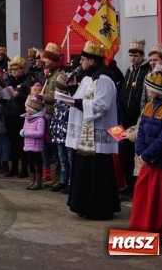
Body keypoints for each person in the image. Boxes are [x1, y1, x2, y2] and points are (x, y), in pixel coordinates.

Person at [64, 41, 121, 220]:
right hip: (85, 134)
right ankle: (83, 205)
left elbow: (101, 106)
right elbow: (82, 97)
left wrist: (76, 103)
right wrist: (72, 89)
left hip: (96, 134)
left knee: (97, 172)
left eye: (83, 59)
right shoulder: (89, 77)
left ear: (92, 61)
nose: (80, 63)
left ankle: (98, 208)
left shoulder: (104, 78)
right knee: (83, 170)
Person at [128, 67, 162, 237]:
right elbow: (142, 130)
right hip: (148, 161)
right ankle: (144, 230)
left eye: (149, 87)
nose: (147, 89)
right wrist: (140, 152)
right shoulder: (150, 106)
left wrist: (146, 155)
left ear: (156, 90)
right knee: (144, 198)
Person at [117, 38, 151, 197]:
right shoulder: (129, 71)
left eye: (136, 55)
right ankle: (128, 182)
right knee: (126, 152)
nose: (132, 58)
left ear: (142, 56)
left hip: (137, 117)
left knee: (136, 152)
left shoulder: (146, 71)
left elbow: (141, 96)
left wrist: (138, 116)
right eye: (131, 55)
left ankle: (135, 184)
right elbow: (124, 91)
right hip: (126, 117)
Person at [39, 42, 64, 188]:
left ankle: (60, 175)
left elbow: (57, 94)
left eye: (47, 58)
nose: (44, 61)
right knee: (52, 148)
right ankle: (56, 174)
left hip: (55, 114)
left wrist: (43, 97)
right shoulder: (50, 74)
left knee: (56, 148)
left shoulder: (59, 74)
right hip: (48, 114)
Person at [4, 55, 32, 178]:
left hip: (20, 115)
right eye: (11, 70)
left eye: (16, 70)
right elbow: (6, 99)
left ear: (21, 69)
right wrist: (0, 98)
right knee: (13, 143)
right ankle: (13, 168)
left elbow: (31, 99)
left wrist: (18, 95)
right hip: (9, 115)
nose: (13, 72)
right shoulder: (9, 81)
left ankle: (24, 169)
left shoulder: (27, 81)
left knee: (22, 143)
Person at [49, 73, 73, 193]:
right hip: (58, 133)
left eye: (58, 86)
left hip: (67, 134)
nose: (56, 89)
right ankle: (63, 180)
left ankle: (70, 182)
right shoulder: (58, 100)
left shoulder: (70, 99)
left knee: (70, 159)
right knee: (62, 159)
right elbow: (56, 116)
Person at [21, 89, 46, 190]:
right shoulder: (27, 118)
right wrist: (22, 131)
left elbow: (40, 133)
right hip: (28, 145)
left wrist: (27, 133)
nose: (26, 110)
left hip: (36, 145)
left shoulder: (40, 119)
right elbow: (24, 128)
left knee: (37, 162)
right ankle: (32, 180)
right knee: (30, 162)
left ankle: (38, 181)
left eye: (27, 108)